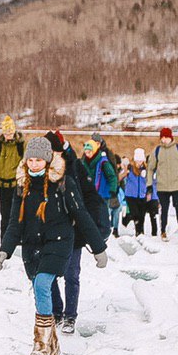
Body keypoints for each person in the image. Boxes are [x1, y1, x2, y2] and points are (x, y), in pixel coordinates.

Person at [0, 138, 108, 355]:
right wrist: (5, 249)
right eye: (31, 160)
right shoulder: (22, 185)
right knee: (39, 291)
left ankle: (41, 344)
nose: (34, 164)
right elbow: (14, 223)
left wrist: (98, 248)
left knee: (42, 284)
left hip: (59, 242)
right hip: (32, 246)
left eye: (38, 160)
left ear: (47, 160)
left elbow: (81, 215)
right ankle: (53, 344)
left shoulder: (63, 182)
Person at [45, 130, 107, 335]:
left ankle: (70, 315)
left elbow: (90, 198)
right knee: (50, 274)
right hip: (51, 230)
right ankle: (56, 311)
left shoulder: (75, 167)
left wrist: (98, 229)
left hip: (74, 230)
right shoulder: (42, 169)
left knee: (71, 274)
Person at [146, 127, 178, 241]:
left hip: (177, 185)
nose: (164, 140)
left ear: (171, 137)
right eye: (162, 137)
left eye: (166, 137)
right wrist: (149, 184)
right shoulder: (157, 151)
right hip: (162, 186)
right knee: (164, 210)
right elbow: (150, 168)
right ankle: (163, 231)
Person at [0, 117, 25, 243]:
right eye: (6, 132)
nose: (8, 135)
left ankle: (18, 239)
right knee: (5, 215)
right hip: (3, 186)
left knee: (18, 214)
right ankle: (4, 240)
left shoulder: (21, 145)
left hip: (17, 185)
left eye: (10, 132)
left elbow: (26, 164)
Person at [81, 139, 118, 231]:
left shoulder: (103, 162)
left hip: (102, 193)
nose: (87, 154)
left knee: (101, 214)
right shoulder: (83, 162)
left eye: (89, 152)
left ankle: (103, 231)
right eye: (86, 152)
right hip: (88, 193)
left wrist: (113, 190)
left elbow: (112, 176)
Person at [123, 149, 158, 237]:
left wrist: (149, 192)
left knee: (142, 215)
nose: (139, 162)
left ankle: (141, 232)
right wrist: (125, 169)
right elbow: (122, 176)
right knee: (136, 214)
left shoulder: (146, 170)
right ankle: (138, 232)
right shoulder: (130, 168)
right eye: (137, 160)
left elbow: (150, 181)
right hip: (131, 195)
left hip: (142, 195)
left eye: (141, 160)